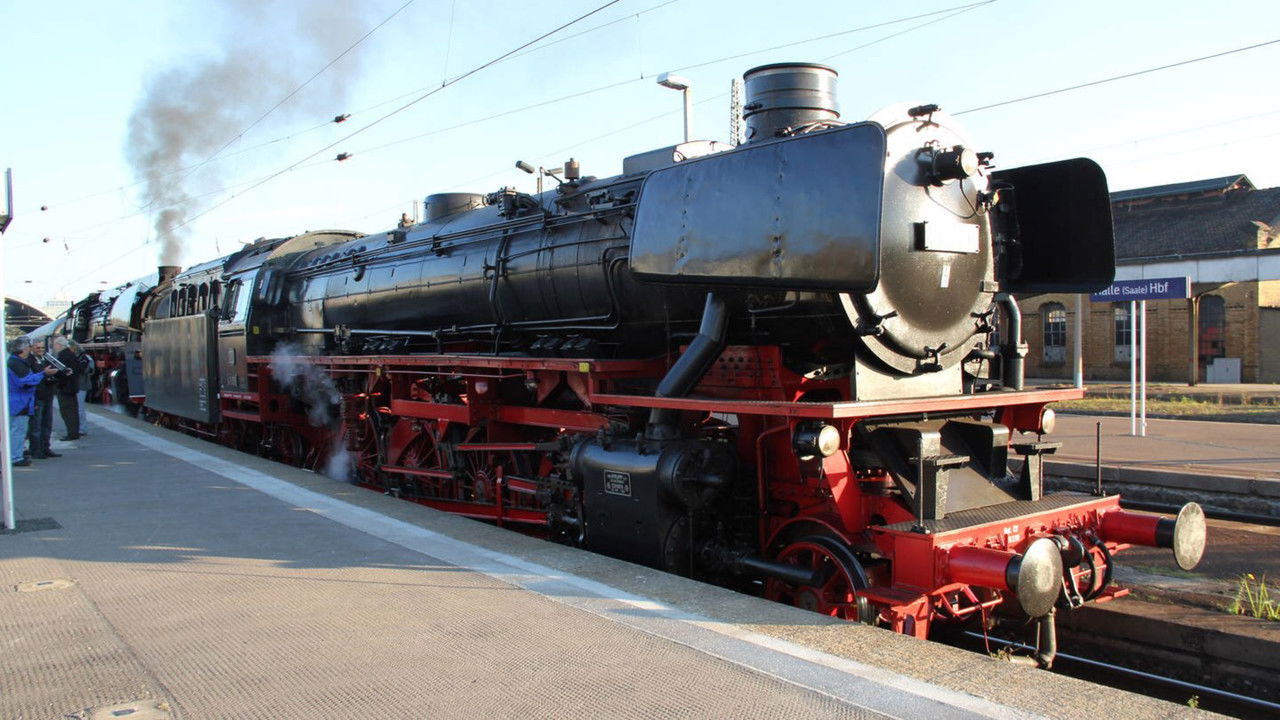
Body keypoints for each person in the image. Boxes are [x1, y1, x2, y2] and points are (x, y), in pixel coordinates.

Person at [7, 337, 58, 467]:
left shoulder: (15, 362)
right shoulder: (17, 364)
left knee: (17, 430)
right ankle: (15, 457)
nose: (30, 350)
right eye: (29, 347)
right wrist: (43, 374)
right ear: (23, 349)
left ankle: (16, 454)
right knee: (18, 430)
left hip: (19, 401)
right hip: (20, 402)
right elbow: (25, 381)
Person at [25, 339, 61, 459]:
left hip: (47, 394)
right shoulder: (29, 361)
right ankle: (36, 450)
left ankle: (45, 448)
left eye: (42, 348)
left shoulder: (46, 359)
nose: (40, 350)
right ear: (32, 348)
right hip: (37, 396)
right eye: (38, 348)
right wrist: (45, 373)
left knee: (47, 424)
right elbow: (32, 378)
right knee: (36, 425)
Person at [53, 336, 82, 440]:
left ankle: (72, 433)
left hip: (65, 388)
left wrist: (54, 374)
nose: (54, 347)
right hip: (72, 387)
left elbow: (61, 372)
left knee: (67, 411)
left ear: (59, 345)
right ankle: (75, 432)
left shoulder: (63, 356)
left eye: (55, 345)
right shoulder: (72, 355)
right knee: (73, 410)